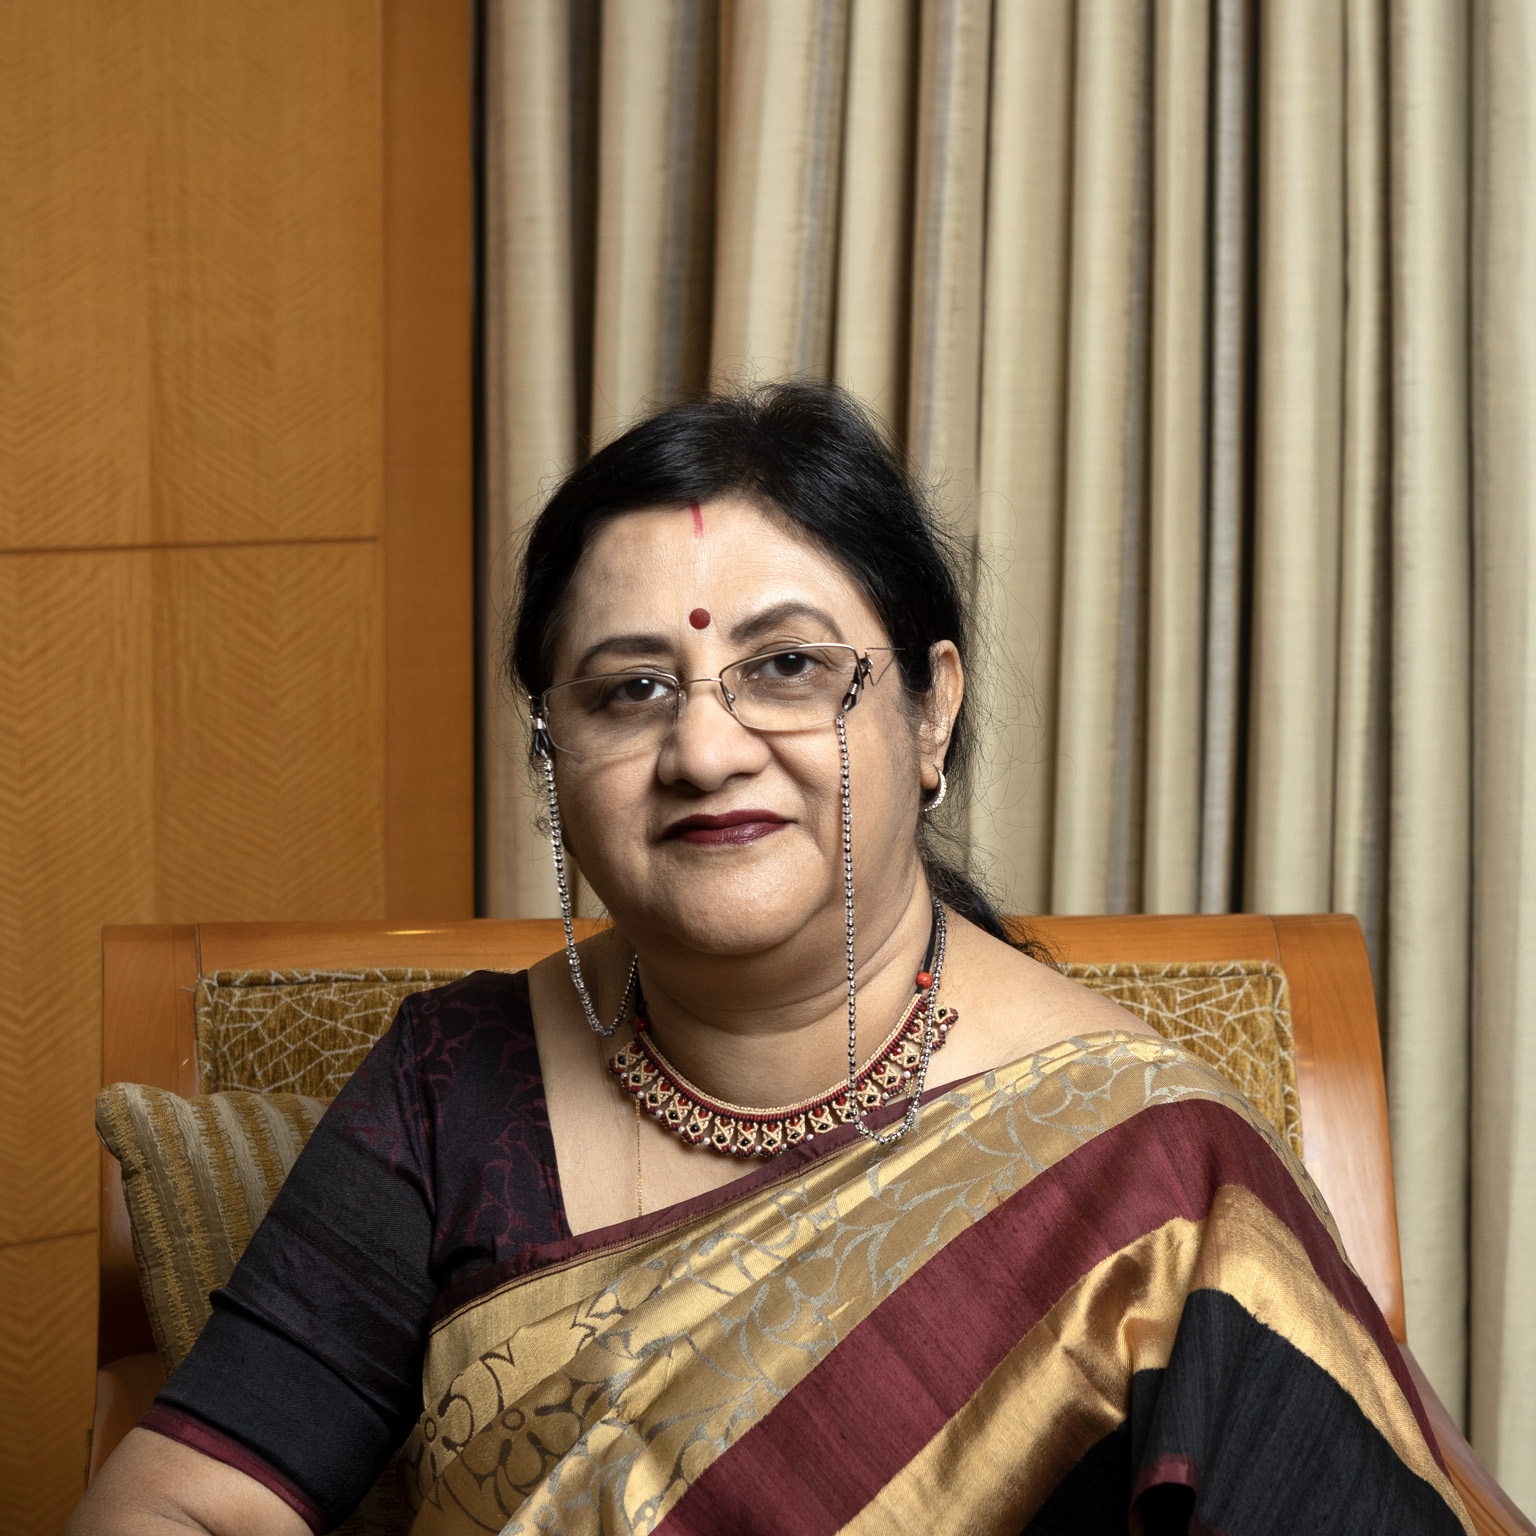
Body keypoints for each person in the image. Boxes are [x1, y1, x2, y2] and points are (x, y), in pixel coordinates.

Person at [72, 383, 1470, 1536]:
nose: (704, 748)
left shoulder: (1151, 1176)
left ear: (931, 710)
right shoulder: (455, 1086)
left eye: (788, 667)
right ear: (554, 756)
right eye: (631, 689)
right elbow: (184, 1500)